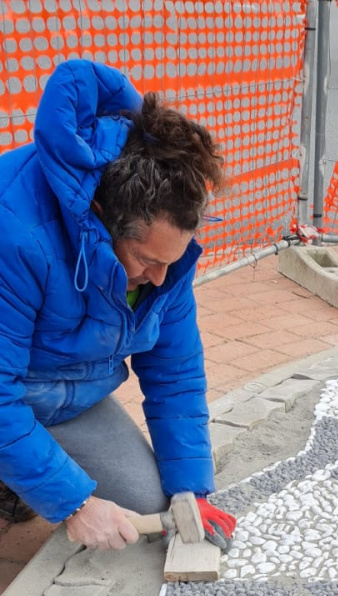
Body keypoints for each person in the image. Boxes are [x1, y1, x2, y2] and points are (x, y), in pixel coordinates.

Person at [0, 59, 237, 552]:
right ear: (102, 220)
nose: (161, 278)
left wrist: (190, 488)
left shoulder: (165, 251)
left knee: (148, 502)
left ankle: (20, 467)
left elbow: (174, 370)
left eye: (170, 262)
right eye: (147, 260)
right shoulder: (16, 234)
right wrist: (75, 504)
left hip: (60, 396)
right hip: (10, 388)